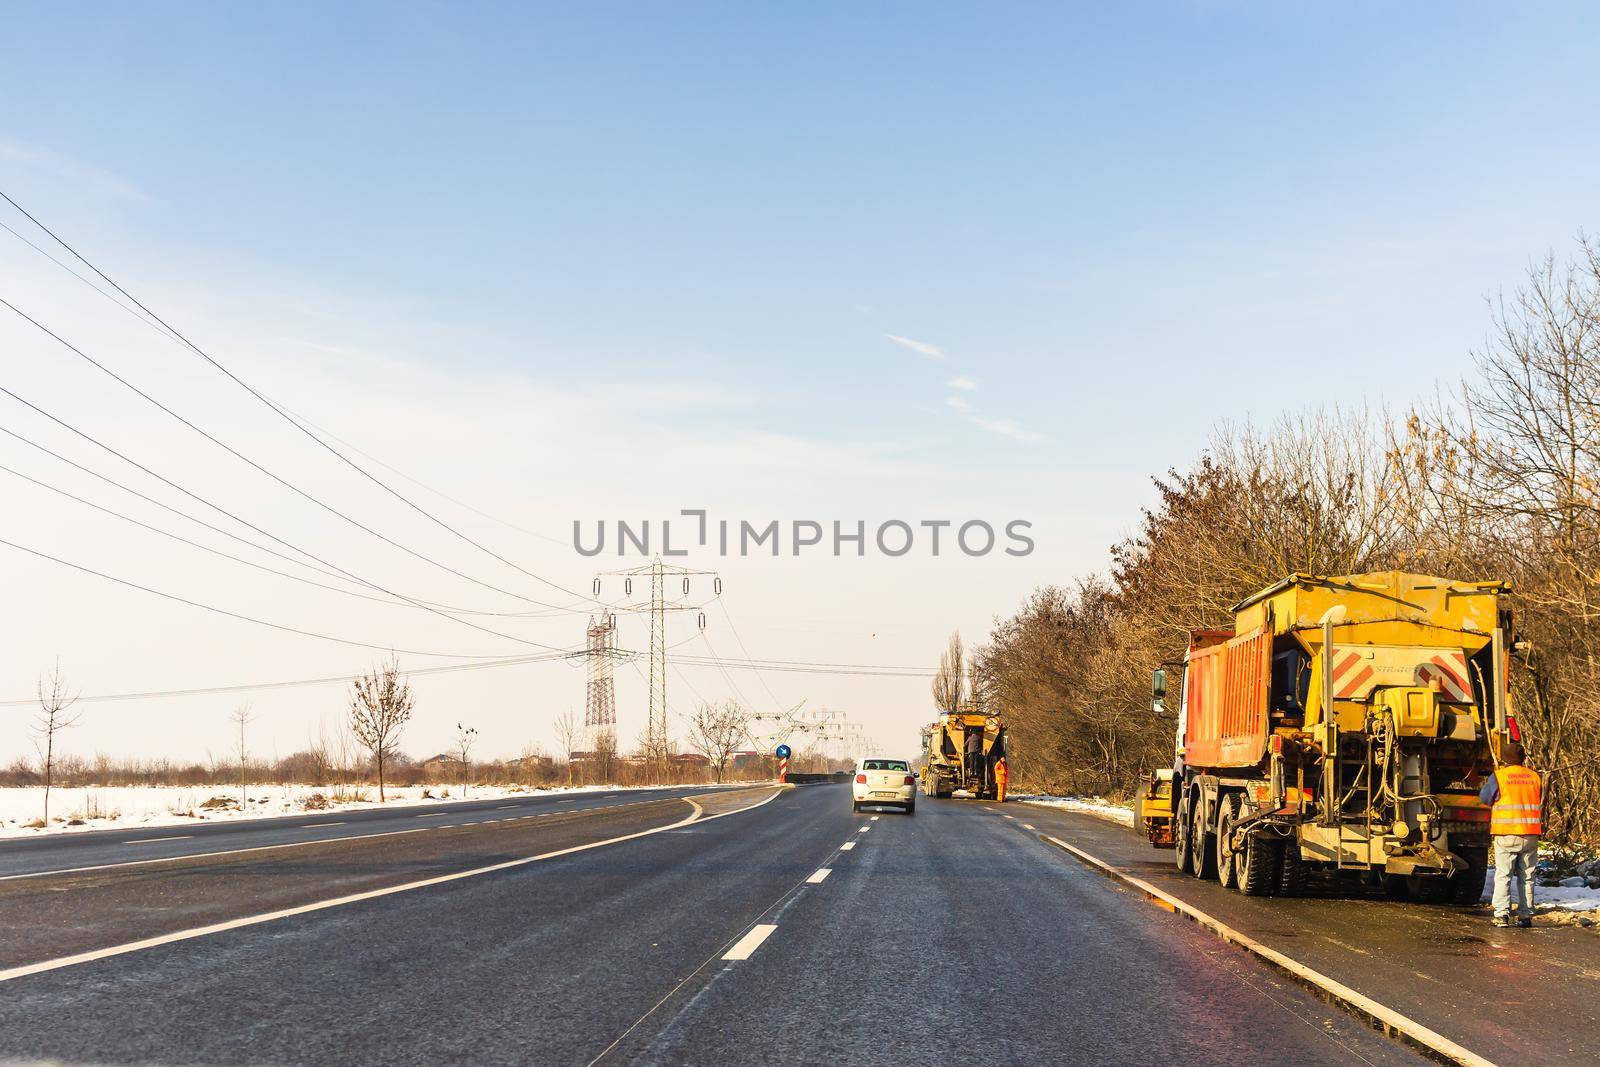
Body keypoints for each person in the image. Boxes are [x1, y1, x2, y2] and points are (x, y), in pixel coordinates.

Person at [1478, 741, 1542, 928]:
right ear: (1523, 758)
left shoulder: (1499, 777)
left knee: (1504, 875)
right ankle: (1525, 915)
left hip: (1506, 833)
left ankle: (1501, 915)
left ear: (1505, 758)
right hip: (1530, 834)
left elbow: (1485, 798)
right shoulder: (1534, 777)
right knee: (1528, 876)